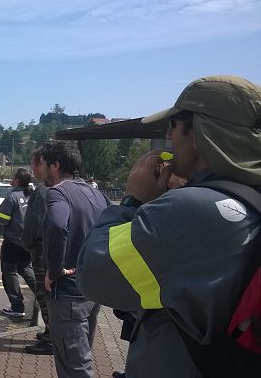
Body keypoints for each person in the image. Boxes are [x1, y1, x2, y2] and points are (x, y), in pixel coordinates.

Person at [77, 76, 261, 378]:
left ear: (200, 131)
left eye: (174, 126)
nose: (169, 136)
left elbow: (93, 273)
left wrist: (134, 200)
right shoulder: (246, 199)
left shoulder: (188, 210)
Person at [38, 142, 110, 378]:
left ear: (56, 166)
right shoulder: (97, 194)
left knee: (75, 368)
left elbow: (58, 225)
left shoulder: (58, 192)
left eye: (45, 164)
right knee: (80, 357)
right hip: (92, 290)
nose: (41, 170)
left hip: (67, 295)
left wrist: (54, 270)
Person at [0, 168, 36, 318]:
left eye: (13, 177)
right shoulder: (32, 196)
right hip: (28, 242)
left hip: (13, 242)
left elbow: (0, 222)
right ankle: (45, 296)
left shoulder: (12, 197)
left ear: (18, 181)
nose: (11, 179)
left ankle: (17, 306)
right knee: (26, 268)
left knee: (9, 273)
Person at [21, 147, 53, 355]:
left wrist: (27, 244)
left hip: (43, 252)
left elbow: (32, 225)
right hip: (52, 251)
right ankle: (51, 331)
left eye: (35, 164)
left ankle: (51, 337)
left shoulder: (42, 192)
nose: (33, 169)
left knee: (44, 294)